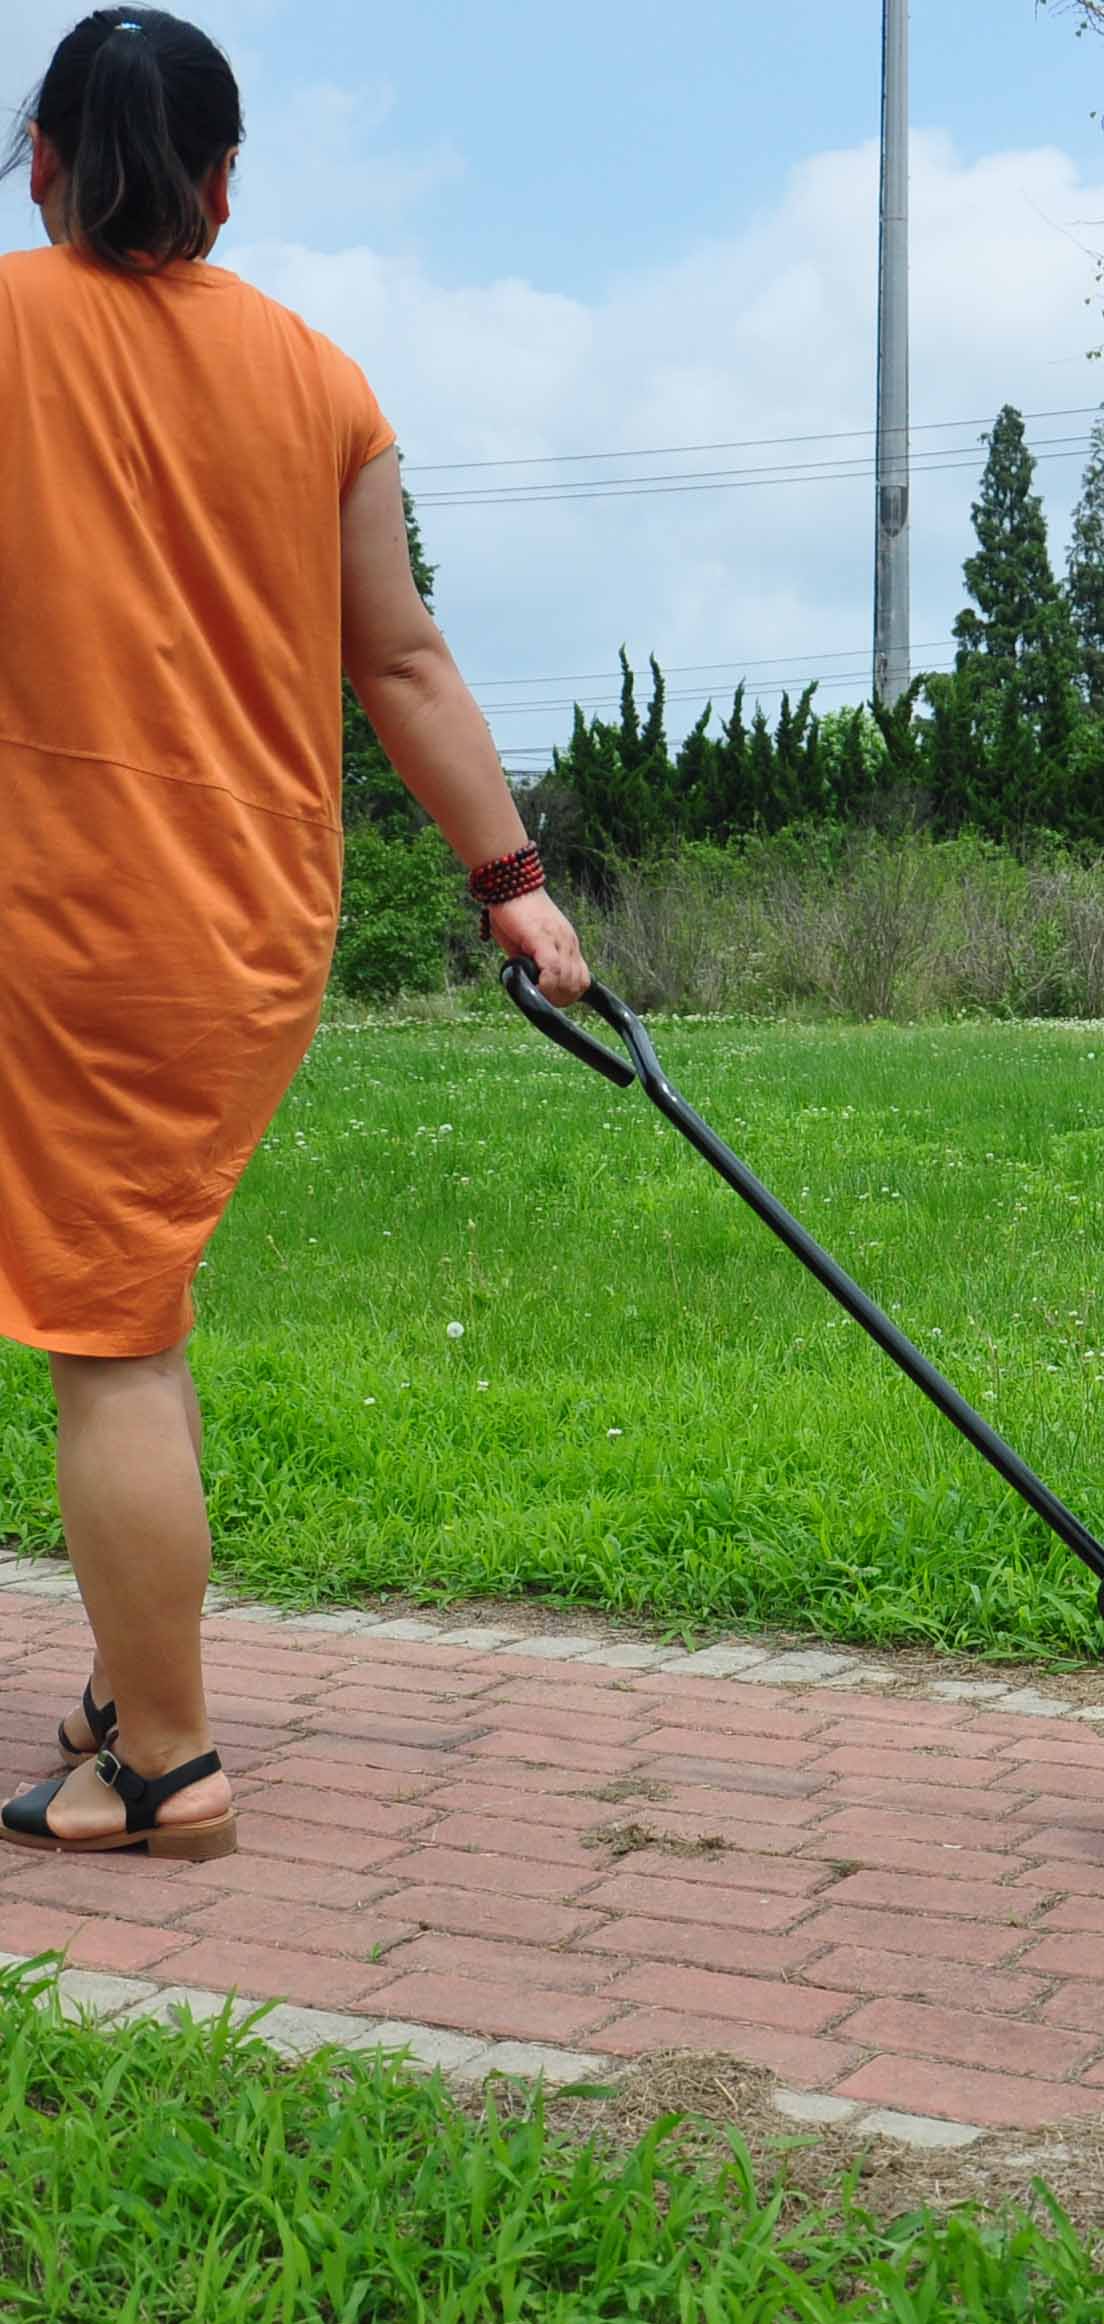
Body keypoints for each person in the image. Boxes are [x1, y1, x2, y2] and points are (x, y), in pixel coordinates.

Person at [0, 8, 590, 1862]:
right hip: (246, 919)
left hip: (61, 907)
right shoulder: (321, 381)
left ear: (42, 164)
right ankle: (125, 1692)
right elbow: (401, 658)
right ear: (227, 182)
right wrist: (515, 886)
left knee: (112, 1339)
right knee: (128, 1314)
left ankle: (165, 1760)